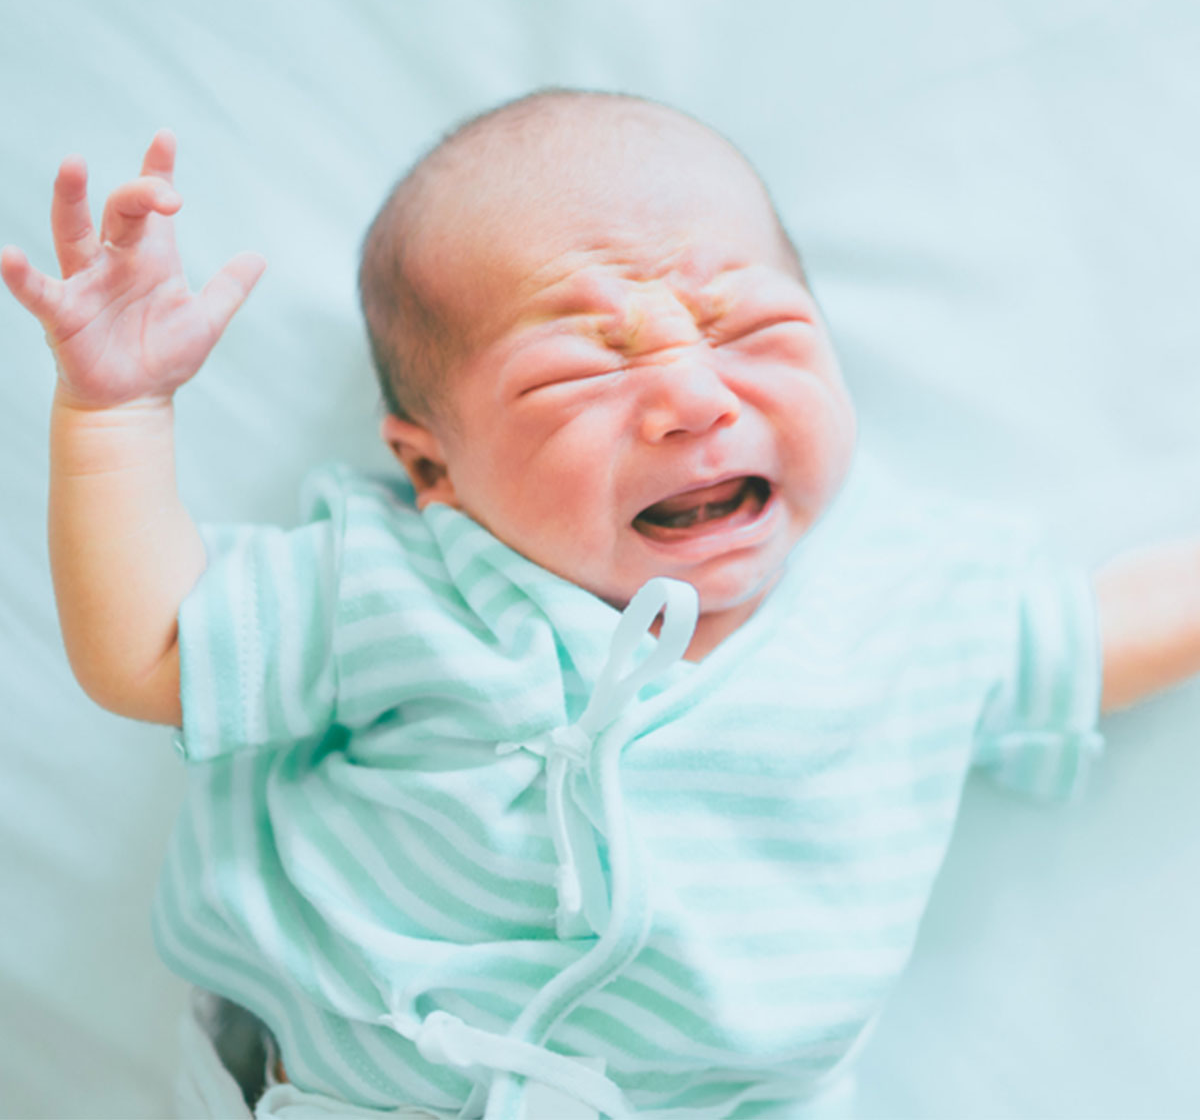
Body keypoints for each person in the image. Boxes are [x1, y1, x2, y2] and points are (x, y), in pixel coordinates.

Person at [3, 90, 1198, 1120]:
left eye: (751, 327)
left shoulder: (915, 604)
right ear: (434, 471)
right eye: (581, 369)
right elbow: (147, 648)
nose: (691, 394)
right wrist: (114, 417)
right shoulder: (395, 578)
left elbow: (1105, 630)